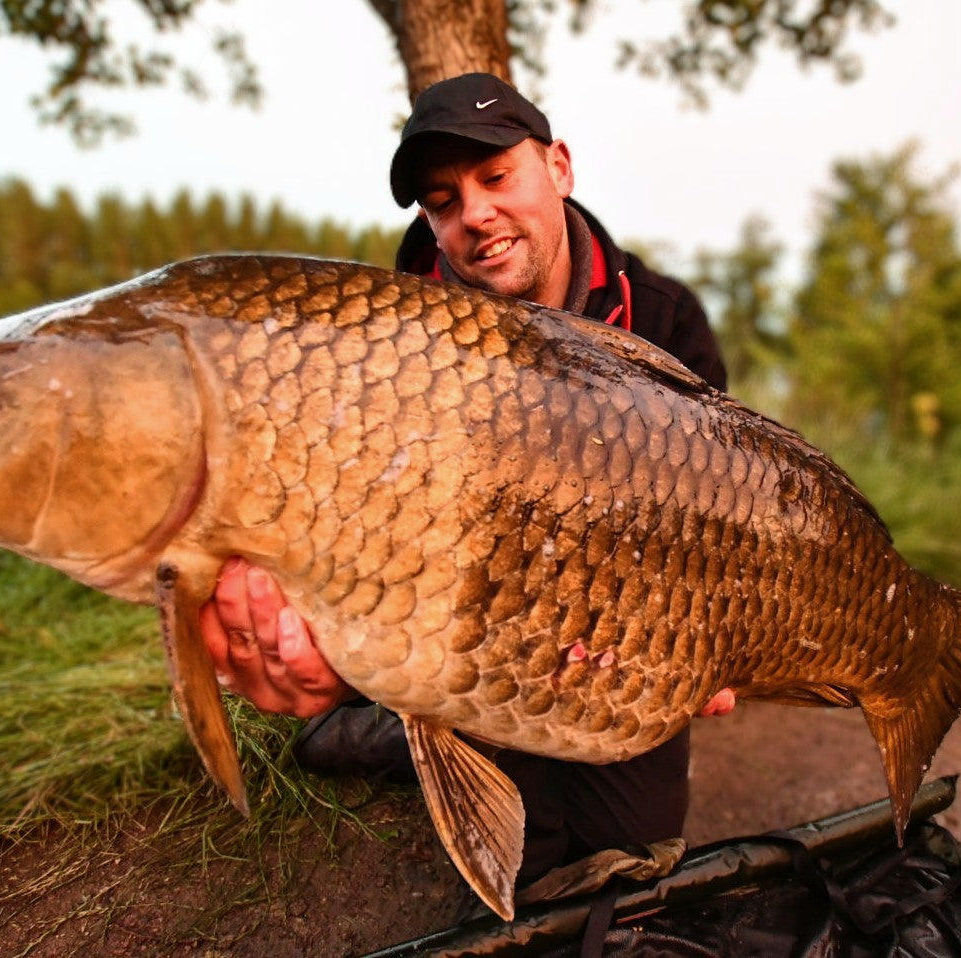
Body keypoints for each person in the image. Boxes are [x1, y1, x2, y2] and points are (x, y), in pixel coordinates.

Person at [201, 73, 733, 890]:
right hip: (464, 619)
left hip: (614, 626)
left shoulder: (662, 317)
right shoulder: (386, 344)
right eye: (443, 202)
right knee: (525, 859)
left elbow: (718, 513)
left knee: (629, 847)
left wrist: (692, 636)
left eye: (495, 176)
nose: (474, 215)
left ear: (558, 167)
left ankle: (381, 726)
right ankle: (397, 717)